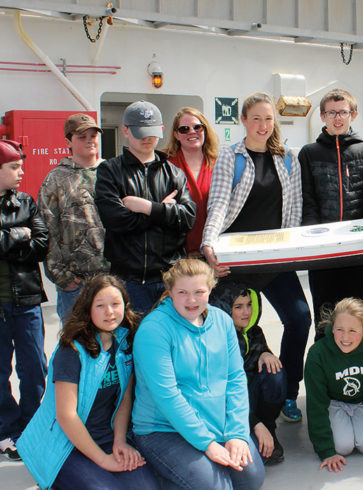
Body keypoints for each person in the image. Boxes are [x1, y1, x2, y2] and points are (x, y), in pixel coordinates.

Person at [201, 92, 311, 424]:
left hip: (274, 259)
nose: (263, 125)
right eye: (256, 119)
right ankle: (230, 401)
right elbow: (218, 205)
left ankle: (289, 391)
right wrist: (209, 245)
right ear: (244, 121)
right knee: (228, 329)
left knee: (300, 317)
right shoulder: (230, 158)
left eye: (268, 119)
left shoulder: (287, 159)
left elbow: (294, 211)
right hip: (237, 262)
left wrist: (291, 253)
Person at [132, 258, 264, 489]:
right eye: (182, 292)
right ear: (170, 291)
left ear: (211, 289)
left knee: (251, 478)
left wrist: (237, 433)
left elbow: (235, 378)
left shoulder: (222, 321)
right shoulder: (154, 330)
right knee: (216, 486)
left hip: (215, 422)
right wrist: (207, 444)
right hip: (164, 428)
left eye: (199, 292)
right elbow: (167, 395)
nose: (191, 300)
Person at [17, 275, 159, 489]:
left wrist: (120, 441)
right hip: (66, 445)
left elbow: (125, 398)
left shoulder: (125, 342)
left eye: (115, 304)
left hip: (106, 436)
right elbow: (67, 416)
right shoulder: (72, 350)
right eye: (100, 306)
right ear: (88, 308)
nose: (110, 312)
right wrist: (103, 460)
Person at [0, 139, 48, 460]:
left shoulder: (27, 202)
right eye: (14, 166)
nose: (21, 171)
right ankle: (5, 431)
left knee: (35, 368)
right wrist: (19, 234)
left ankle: (29, 427)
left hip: (27, 299)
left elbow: (41, 244)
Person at [95, 100, 196, 316]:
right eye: (139, 132)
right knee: (133, 341)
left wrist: (147, 207)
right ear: (125, 131)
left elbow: (187, 218)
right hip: (129, 281)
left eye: (151, 132)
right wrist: (164, 211)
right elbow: (116, 220)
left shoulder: (174, 173)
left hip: (170, 279)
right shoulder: (110, 171)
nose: (147, 138)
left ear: (160, 129)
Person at [299, 88, 363, 343]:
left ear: (353, 115)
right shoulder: (309, 153)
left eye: (343, 112)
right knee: (325, 320)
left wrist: (358, 233)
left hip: (357, 252)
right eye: (332, 113)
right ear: (322, 116)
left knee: (358, 318)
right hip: (323, 253)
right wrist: (318, 237)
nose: (338, 118)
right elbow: (307, 199)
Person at [304, 298, 363, 473]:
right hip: (335, 403)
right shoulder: (317, 354)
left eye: (352, 331)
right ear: (332, 328)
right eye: (339, 330)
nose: (345, 337)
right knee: (342, 447)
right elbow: (316, 403)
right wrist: (326, 450)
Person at [38, 113, 110, 323]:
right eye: (82, 136)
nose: (89, 140)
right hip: (76, 284)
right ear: (68, 142)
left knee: (116, 343)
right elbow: (46, 227)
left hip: (112, 278)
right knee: (76, 344)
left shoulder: (112, 172)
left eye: (93, 135)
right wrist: (61, 276)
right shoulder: (56, 179)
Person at [223, 286, 287, 466]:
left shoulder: (255, 332)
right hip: (233, 407)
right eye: (238, 307)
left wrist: (266, 353)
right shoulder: (219, 338)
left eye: (249, 304)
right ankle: (253, 430)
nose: (246, 312)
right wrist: (253, 423)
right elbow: (224, 391)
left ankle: (268, 427)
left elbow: (261, 356)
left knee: (275, 371)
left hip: (253, 395)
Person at [165, 107, 219, 255]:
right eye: (184, 129)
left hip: (213, 250)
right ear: (176, 134)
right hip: (177, 254)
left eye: (197, 127)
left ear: (205, 130)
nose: (192, 132)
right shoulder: (166, 165)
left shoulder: (219, 164)